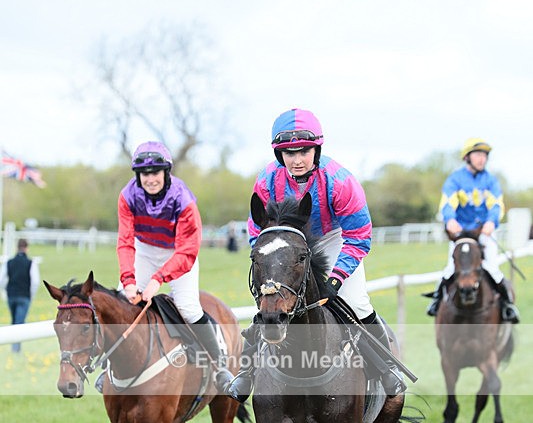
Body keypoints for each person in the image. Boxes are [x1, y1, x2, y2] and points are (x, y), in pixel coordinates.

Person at [224, 108, 406, 402]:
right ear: (278, 154)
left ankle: (386, 369)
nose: (296, 160)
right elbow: (258, 229)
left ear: (316, 149)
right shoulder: (267, 179)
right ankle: (246, 374)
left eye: (303, 152)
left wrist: (336, 279)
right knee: (270, 300)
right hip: (285, 241)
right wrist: (269, 265)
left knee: (357, 301)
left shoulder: (340, 180)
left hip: (332, 239)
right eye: (289, 153)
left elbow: (359, 235)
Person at [96, 141, 235, 393]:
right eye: (144, 174)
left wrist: (157, 280)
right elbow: (125, 242)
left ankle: (220, 364)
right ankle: (107, 370)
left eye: (155, 172)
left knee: (188, 308)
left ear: (166, 172)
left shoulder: (184, 200)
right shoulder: (127, 196)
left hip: (179, 252)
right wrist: (128, 281)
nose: (150, 179)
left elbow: (187, 250)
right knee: (123, 304)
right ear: (138, 175)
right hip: (144, 250)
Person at [426, 138, 519, 322]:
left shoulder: (491, 181)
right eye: (478, 155)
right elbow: (447, 204)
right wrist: (450, 219)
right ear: (467, 157)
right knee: (450, 269)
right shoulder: (455, 179)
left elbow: (496, 206)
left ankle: (508, 306)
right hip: (460, 236)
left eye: (485, 155)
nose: (482, 159)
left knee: (492, 267)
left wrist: (491, 222)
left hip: (483, 234)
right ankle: (437, 301)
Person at [0, 238, 40, 353]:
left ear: (17, 247)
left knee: (14, 320)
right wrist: (31, 295)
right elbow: (35, 282)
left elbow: (1, 280)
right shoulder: (31, 263)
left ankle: (14, 347)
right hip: (24, 296)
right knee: (19, 322)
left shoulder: (9, 262)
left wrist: (6, 291)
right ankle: (15, 349)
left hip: (11, 295)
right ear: (27, 248)